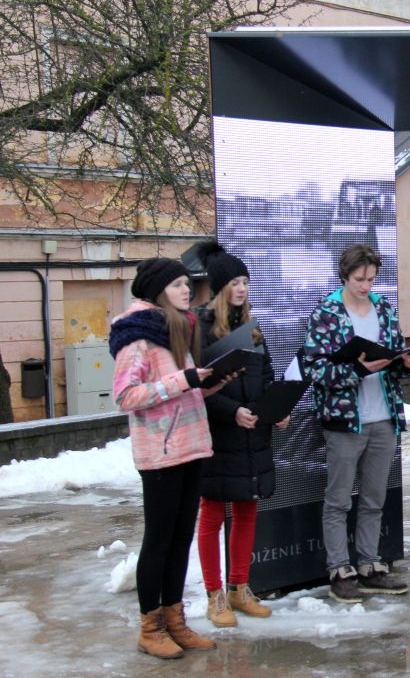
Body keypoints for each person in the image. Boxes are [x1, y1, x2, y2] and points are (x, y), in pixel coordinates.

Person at [110, 258, 231, 659]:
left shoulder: (177, 328)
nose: (187, 291)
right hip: (160, 454)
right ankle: (151, 627)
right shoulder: (138, 336)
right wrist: (185, 379)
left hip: (191, 446)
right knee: (159, 541)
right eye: (179, 284)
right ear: (158, 290)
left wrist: (209, 384)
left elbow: (181, 392)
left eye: (187, 284)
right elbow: (127, 396)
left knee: (181, 540)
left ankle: (175, 620)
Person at [303, 243, 410, 602]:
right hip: (344, 419)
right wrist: (355, 369)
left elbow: (394, 353)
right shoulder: (327, 311)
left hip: (383, 416)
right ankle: (340, 568)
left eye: (371, 278)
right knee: (338, 499)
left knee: (374, 498)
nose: (366, 285)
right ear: (345, 275)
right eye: (359, 279)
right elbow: (313, 368)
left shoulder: (384, 307)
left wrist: (407, 364)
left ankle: (370, 563)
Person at [192, 242, 288, 628]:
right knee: (212, 513)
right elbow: (197, 390)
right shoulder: (198, 329)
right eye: (235, 282)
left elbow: (265, 375)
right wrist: (233, 412)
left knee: (248, 510)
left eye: (246, 281)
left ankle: (240, 587)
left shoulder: (253, 327)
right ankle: (214, 596)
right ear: (219, 288)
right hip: (220, 436)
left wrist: (274, 410)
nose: (242, 289)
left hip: (254, 435)